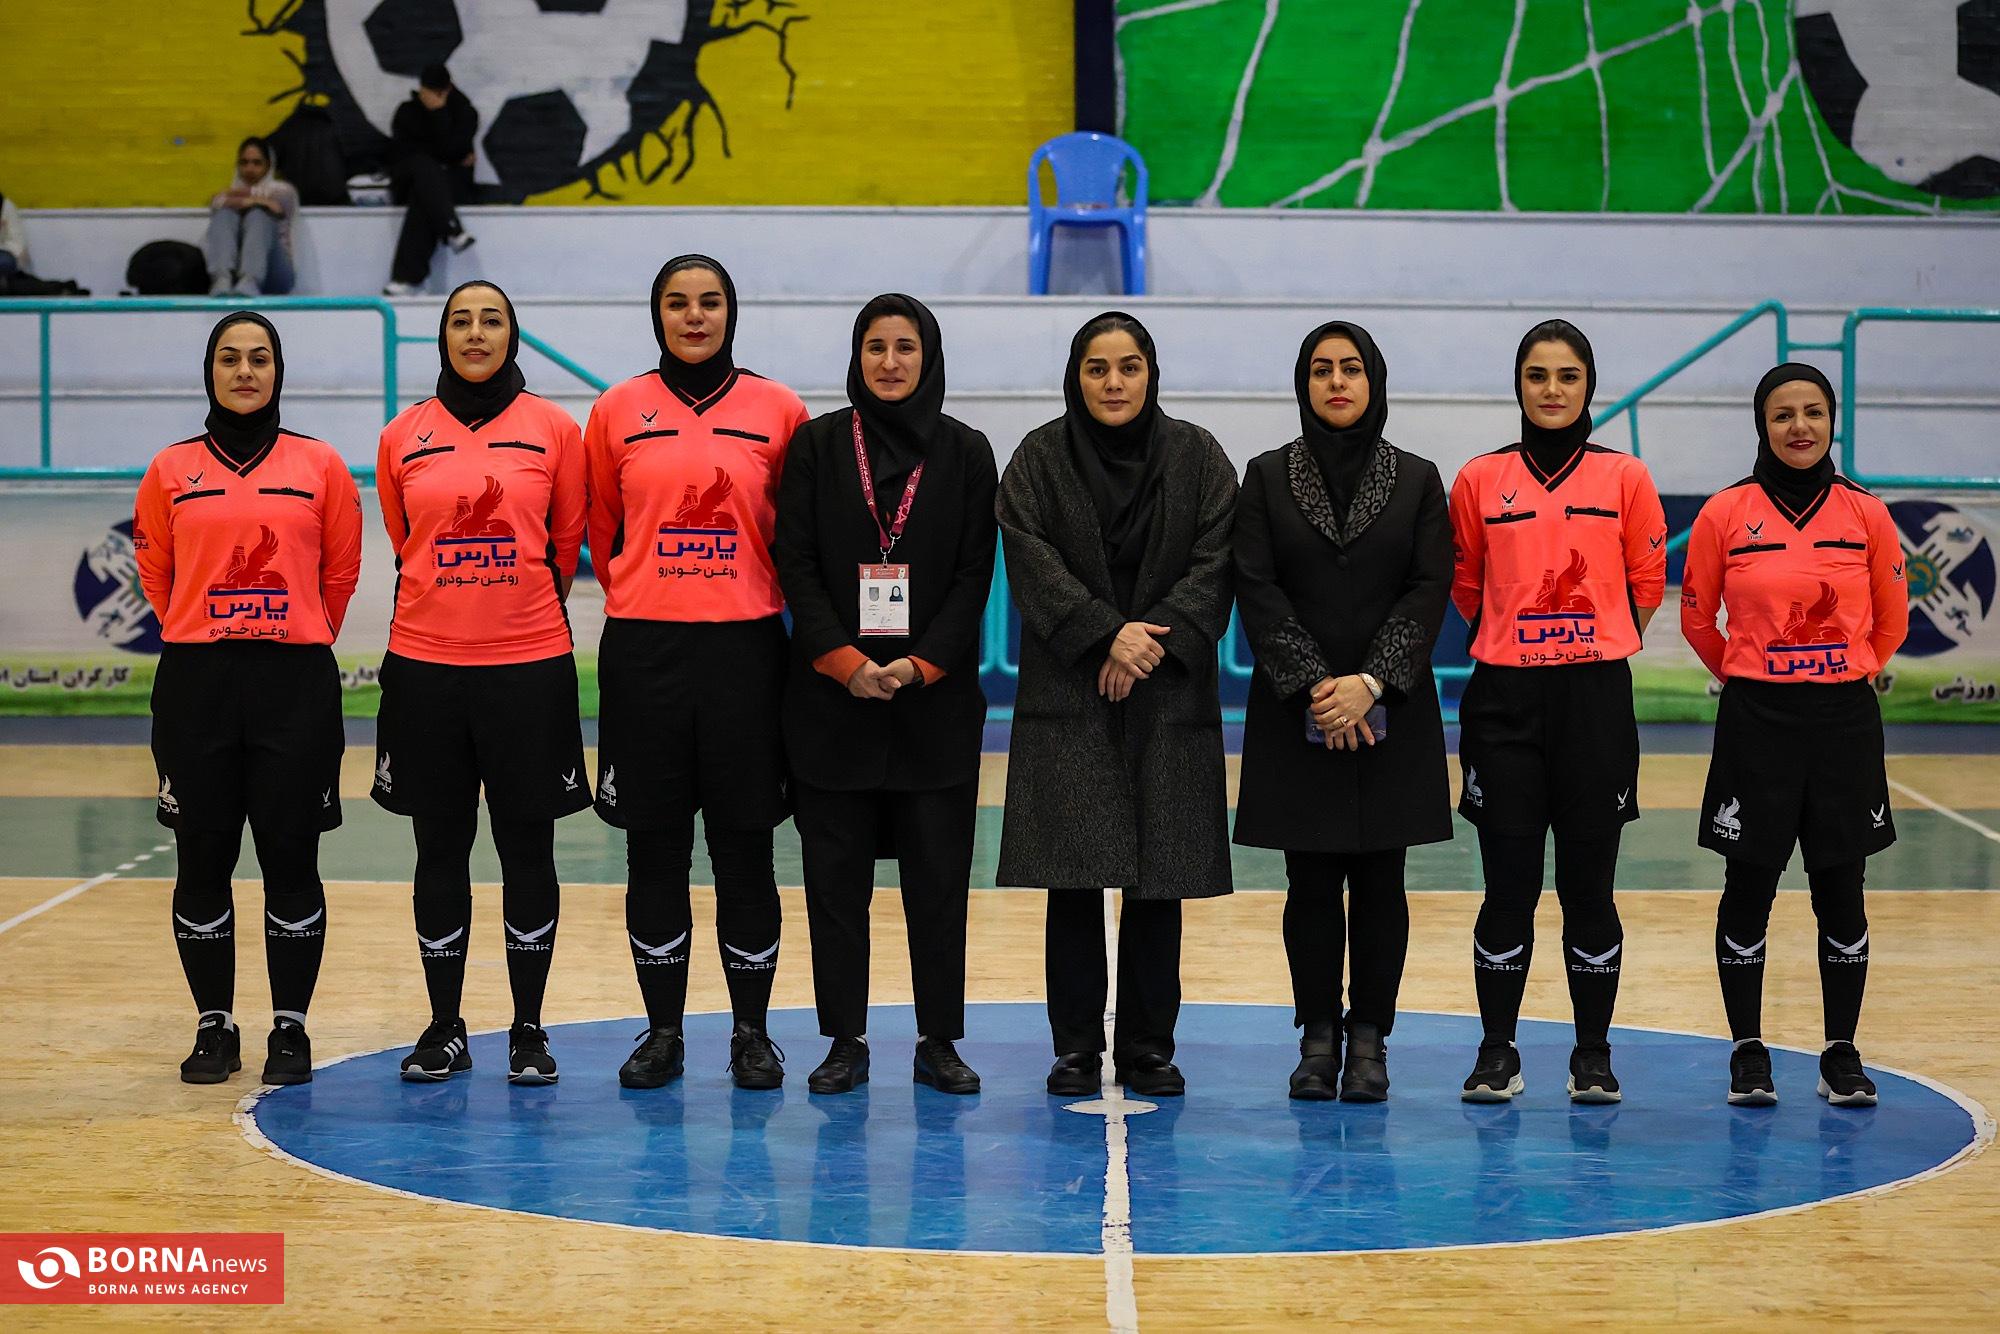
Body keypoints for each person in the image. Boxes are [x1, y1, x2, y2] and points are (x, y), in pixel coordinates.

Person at [997, 310, 1239, 1098]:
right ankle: (1074, 1048)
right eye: (1097, 368)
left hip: (1166, 694)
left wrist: (1145, 645)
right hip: (1071, 690)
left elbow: (1216, 561)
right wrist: (1107, 635)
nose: (1113, 382)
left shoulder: (1199, 456)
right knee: (1072, 880)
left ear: (1151, 374)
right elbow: (1030, 559)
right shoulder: (1037, 458)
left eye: (1128, 366)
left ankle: (1147, 1048)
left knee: (1159, 882)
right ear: (1076, 377)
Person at [585, 254, 810, 1090]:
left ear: (730, 313)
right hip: (644, 652)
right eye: (677, 302)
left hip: (746, 654)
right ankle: (663, 1032)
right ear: (658, 315)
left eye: (710, 302)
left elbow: (795, 534)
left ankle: (752, 1033)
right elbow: (602, 528)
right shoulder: (616, 409)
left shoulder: (779, 409)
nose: (694, 316)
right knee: (655, 850)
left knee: (745, 849)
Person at [773, 294, 998, 1095]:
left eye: (906, 347)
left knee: (937, 890)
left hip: (934, 709)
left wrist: (920, 665)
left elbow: (974, 574)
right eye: (876, 346)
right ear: (856, 356)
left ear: (928, 358)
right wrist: (843, 661)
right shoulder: (816, 446)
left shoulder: (967, 451)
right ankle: (845, 1039)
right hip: (831, 708)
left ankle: (939, 1040)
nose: (891, 362)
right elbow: (795, 564)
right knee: (836, 891)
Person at [133, 312, 362, 1086]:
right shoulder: (170, 469)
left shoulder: (319, 465)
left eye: (259, 359)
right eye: (229, 358)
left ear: (277, 372)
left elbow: (339, 573)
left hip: (292, 684)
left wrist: (293, 632)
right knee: (202, 859)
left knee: (291, 858)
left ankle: (289, 1028)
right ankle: (215, 1025)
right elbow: (158, 575)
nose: (244, 372)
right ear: (210, 371)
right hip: (197, 685)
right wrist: (205, 629)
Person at [371, 281, 590, 1084]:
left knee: (528, 847)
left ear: (512, 334)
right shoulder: (403, 436)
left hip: (528, 669)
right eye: (460, 320)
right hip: (425, 670)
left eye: (491, 320)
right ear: (443, 336)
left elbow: (563, 544)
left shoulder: (555, 430)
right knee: (440, 848)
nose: (475, 333)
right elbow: (405, 543)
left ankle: (528, 1029)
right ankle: (445, 1025)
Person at [1232, 321, 1454, 1102]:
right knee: (1311, 883)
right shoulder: (1265, 477)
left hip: (1392, 711)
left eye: (1351, 368)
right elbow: (1256, 587)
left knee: (1383, 881)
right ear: (1304, 384)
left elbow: (1428, 588)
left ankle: (1370, 1040)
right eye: (1321, 369)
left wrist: (1372, 682)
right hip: (1300, 714)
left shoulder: (1419, 479)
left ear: (1374, 381)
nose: (1336, 382)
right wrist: (1320, 689)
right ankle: (1318, 1036)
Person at [1448, 319, 1667, 1104]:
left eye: (1567, 376)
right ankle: (1497, 1051)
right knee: (1507, 889)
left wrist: (1590, 643)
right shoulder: (1480, 479)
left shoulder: (1625, 478)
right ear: (1518, 385)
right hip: (1504, 703)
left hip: (1594, 703)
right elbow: (1466, 585)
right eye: (1537, 375)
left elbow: (1646, 585)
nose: (1551, 389)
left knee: (1589, 891)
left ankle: (1592, 1055)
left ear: (1588, 386)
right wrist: (1522, 641)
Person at [1681, 364, 1908, 1107]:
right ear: (1762, 424)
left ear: (1832, 421)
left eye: (1813, 412)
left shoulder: (1866, 514)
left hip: (1843, 724)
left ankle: (1841, 1050)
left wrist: (1850, 669)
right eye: (1783, 414)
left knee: (1841, 887)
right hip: (1758, 723)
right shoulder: (1725, 512)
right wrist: (1748, 672)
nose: (1799, 426)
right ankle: (1747, 1050)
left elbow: (1891, 617)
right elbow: (1697, 616)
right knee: (1748, 885)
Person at [382, 63, 477, 296]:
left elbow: (454, 148)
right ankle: (452, 229)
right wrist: (446, 157)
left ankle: (406, 278)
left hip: (440, 187)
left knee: (424, 193)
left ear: (448, 90)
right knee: (424, 167)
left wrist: (439, 114)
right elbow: (403, 152)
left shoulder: (465, 113)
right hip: (409, 177)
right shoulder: (407, 112)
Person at [203, 137, 299, 297]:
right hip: (235, 277)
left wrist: (240, 200)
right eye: (244, 162)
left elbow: (219, 200)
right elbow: (215, 202)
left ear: (268, 166)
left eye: (257, 163)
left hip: (276, 275)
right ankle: (222, 279)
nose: (249, 168)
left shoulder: (283, 191)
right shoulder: (230, 195)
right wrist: (255, 201)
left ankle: (250, 281)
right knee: (224, 214)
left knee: (258, 214)